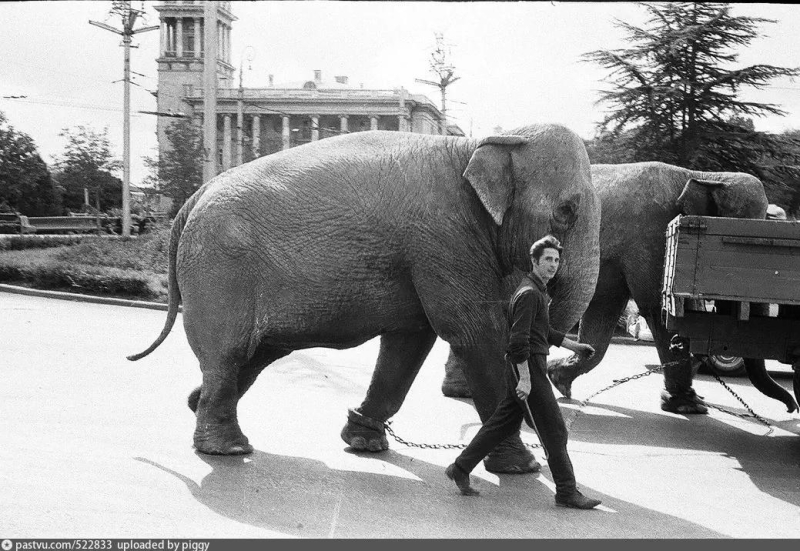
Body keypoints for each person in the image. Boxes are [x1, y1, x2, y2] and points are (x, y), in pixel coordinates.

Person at [445, 234, 602, 510]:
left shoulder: (535, 290)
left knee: (501, 426)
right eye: (547, 260)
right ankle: (566, 491)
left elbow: (541, 330)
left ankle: (460, 467)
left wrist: (573, 345)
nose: (553, 265)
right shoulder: (530, 294)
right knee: (554, 431)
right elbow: (518, 342)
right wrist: (526, 380)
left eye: (556, 260)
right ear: (534, 261)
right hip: (529, 369)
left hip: (526, 368)